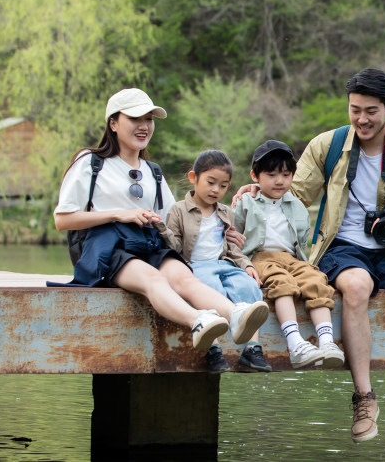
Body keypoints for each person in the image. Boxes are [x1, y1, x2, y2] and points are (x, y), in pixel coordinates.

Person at [234, 69, 385, 443]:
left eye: (371, 111)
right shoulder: (327, 147)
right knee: (356, 285)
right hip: (341, 246)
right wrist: (260, 192)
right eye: (354, 110)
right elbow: (293, 198)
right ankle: (364, 398)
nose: (362, 119)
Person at [54, 88, 269, 367]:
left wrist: (226, 219)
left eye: (149, 119)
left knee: (184, 277)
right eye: (135, 118)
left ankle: (236, 314)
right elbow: (63, 219)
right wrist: (119, 215)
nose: (144, 126)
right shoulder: (91, 163)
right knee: (154, 280)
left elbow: (175, 219)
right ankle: (199, 320)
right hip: (104, 246)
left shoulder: (152, 171)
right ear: (113, 123)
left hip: (145, 242)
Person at [157, 149, 273, 373]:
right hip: (194, 267)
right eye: (210, 182)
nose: (215, 190)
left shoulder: (225, 212)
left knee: (247, 286)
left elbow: (230, 249)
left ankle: (252, 349)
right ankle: (213, 349)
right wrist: (160, 228)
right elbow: (173, 249)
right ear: (194, 178)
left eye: (223, 185)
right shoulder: (179, 211)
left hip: (222, 264)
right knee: (211, 289)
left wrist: (246, 264)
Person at [234, 140, 345, 370]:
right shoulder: (246, 202)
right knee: (282, 283)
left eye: (286, 174)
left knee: (315, 278)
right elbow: (234, 235)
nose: (279, 181)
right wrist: (243, 264)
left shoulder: (297, 207)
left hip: (291, 257)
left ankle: (326, 342)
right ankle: (295, 344)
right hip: (260, 256)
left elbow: (301, 240)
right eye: (272, 174)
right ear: (255, 176)